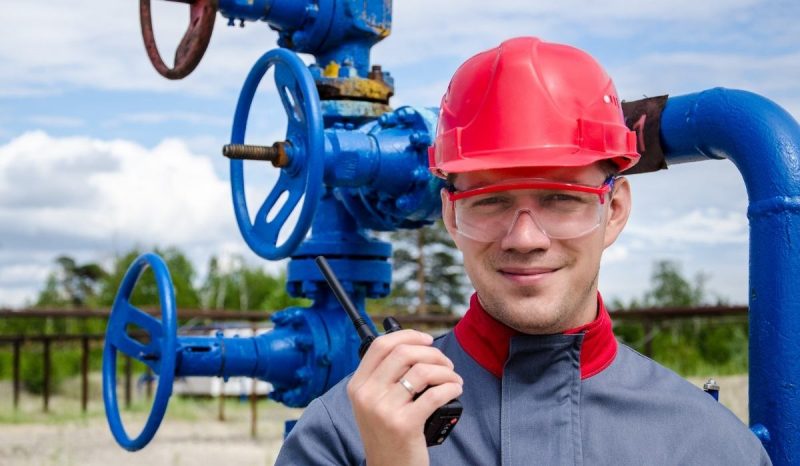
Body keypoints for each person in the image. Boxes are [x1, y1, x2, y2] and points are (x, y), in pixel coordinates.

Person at [276, 36, 771, 465]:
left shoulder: (710, 447)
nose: (525, 238)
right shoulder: (341, 439)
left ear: (615, 209)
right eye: (489, 201)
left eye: (561, 199)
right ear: (451, 215)